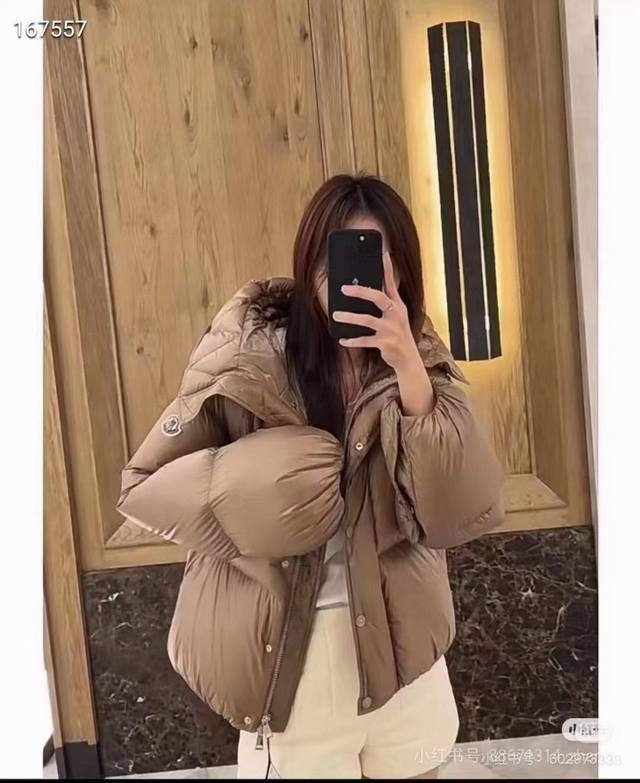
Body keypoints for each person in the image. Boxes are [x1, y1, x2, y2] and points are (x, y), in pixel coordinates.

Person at [116, 173, 506, 779]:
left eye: (375, 261)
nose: (351, 280)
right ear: (308, 263)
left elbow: (461, 507)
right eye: (335, 260)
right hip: (295, 666)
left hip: (405, 655)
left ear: (402, 271)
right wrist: (259, 486)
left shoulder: (424, 363)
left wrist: (410, 371)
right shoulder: (246, 360)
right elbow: (145, 485)